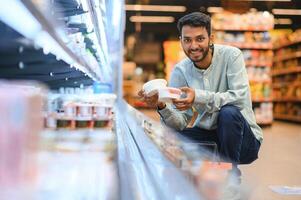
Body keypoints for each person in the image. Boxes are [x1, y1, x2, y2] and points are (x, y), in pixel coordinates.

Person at [138, 12, 262, 175]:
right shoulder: (180, 71)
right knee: (173, 134)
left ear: (211, 38)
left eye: (200, 39)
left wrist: (198, 96)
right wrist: (162, 105)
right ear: (181, 40)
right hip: (209, 138)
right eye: (187, 40)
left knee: (228, 112)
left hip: (244, 140)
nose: (194, 46)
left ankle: (230, 174)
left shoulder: (231, 56)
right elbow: (180, 122)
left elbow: (239, 98)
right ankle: (183, 177)